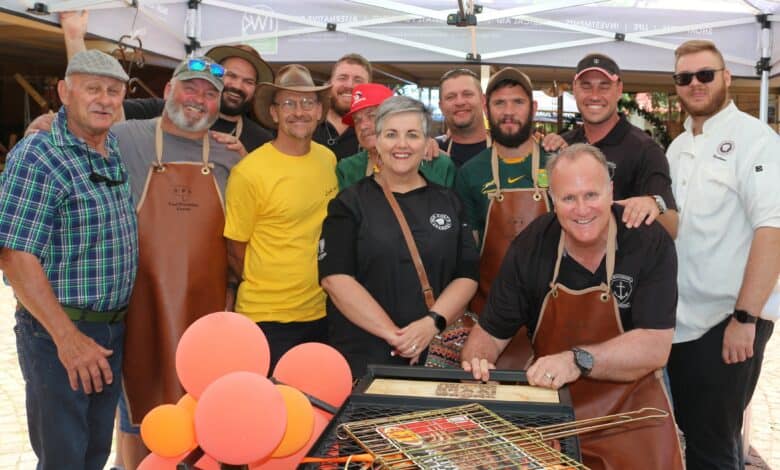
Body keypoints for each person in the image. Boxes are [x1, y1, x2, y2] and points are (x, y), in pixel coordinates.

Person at [461, 143, 684, 470]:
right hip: (556, 419)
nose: (582, 210)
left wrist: (577, 360)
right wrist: (478, 363)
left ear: (611, 191)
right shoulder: (531, 245)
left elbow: (655, 346)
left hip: (634, 419)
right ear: (552, 200)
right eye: (568, 198)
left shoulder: (647, 241)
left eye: (591, 195)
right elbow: (491, 333)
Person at [0, 50, 138, 470]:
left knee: (93, 453)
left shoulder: (111, 145)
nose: (104, 100)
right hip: (57, 332)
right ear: (64, 92)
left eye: (113, 91)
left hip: (109, 330)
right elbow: (14, 256)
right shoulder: (40, 155)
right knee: (63, 458)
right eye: (92, 89)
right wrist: (68, 339)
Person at [666, 40, 780, 470]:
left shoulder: (756, 139)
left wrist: (745, 319)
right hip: (682, 325)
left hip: (727, 324)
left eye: (705, 74)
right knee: (701, 440)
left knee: (713, 450)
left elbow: (773, 231)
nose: (695, 84)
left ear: (726, 78)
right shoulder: (677, 147)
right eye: (685, 77)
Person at [319, 96, 479, 378]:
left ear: (427, 143)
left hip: (434, 353)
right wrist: (397, 337)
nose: (401, 144)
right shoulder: (349, 203)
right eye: (391, 134)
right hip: (364, 356)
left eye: (412, 135)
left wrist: (430, 324)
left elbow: (467, 275)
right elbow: (335, 278)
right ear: (378, 141)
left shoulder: (449, 202)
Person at [225, 64, 338, 368]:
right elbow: (235, 248)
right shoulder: (249, 172)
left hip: (322, 311)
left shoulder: (327, 159)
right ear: (274, 113)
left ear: (319, 111)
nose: (299, 112)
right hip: (268, 317)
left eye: (307, 103)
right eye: (288, 103)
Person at [60, 10, 274, 155]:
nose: (237, 86)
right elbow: (97, 110)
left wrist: (243, 162)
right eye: (232, 76)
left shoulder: (262, 140)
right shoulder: (167, 109)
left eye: (248, 81)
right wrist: (74, 38)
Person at [454, 68, 552, 366]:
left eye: (518, 102)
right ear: (486, 108)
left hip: (552, 317)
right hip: (489, 321)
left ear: (533, 108)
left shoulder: (558, 163)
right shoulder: (470, 173)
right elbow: (466, 253)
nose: (509, 112)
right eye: (500, 103)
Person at [544, 53, 679, 237]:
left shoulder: (645, 150)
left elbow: (671, 225)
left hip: (624, 255)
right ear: (574, 89)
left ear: (619, 89)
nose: (594, 96)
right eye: (586, 86)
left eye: (604, 86)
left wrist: (652, 205)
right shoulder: (564, 145)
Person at [337, 83, 456, 190]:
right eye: (357, 120)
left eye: (372, 115)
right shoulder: (347, 169)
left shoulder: (438, 165)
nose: (363, 126)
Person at [313, 53, 371, 159]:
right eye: (342, 78)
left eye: (358, 80)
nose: (349, 85)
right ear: (329, 84)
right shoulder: (308, 125)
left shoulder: (376, 132)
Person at [436, 68, 490, 167]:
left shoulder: (505, 149)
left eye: (467, 94)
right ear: (441, 107)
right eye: (450, 97)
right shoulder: (432, 151)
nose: (460, 102)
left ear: (483, 100)